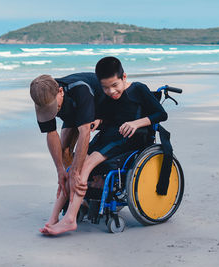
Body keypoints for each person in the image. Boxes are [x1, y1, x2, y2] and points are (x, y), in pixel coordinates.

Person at [44, 56, 168, 235]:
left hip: (132, 137)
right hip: (110, 134)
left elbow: (161, 114)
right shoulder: (107, 96)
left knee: (84, 167)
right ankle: (53, 218)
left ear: (124, 77)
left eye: (115, 85)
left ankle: (70, 219)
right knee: (72, 169)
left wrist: (136, 123)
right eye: (105, 87)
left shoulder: (138, 89)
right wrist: (99, 121)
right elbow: (109, 118)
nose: (111, 91)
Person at [29, 73, 106, 234]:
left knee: (76, 168)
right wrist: (60, 170)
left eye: (54, 108)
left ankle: (91, 183)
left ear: (60, 91)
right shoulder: (42, 98)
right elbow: (51, 134)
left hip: (102, 106)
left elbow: (85, 133)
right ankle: (81, 196)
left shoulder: (80, 90)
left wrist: (75, 172)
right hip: (72, 110)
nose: (52, 112)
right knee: (64, 152)